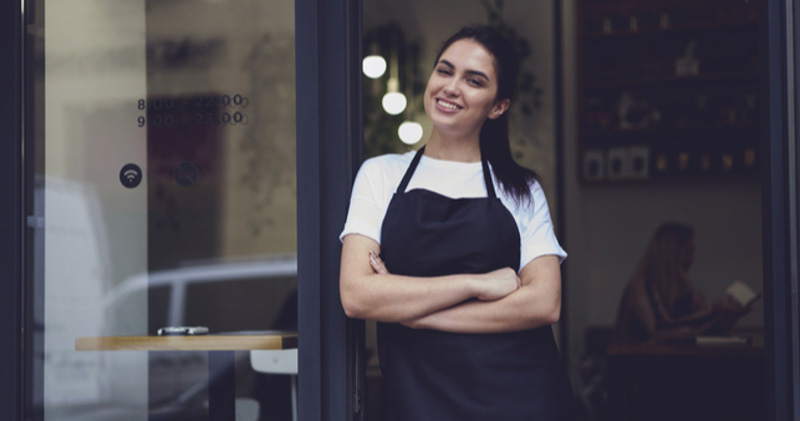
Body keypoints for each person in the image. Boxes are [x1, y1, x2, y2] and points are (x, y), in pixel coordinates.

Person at [339, 25, 573, 420]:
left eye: (474, 80)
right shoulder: (380, 175)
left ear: (498, 106)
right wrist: (476, 284)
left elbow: (544, 303)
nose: (451, 87)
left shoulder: (521, 189)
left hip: (522, 399)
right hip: (420, 399)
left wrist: (417, 314)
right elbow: (357, 295)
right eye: (444, 71)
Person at [614, 222, 750, 344]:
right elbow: (660, 330)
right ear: (673, 254)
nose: (692, 259)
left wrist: (729, 316)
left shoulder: (683, 288)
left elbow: (701, 329)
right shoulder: (641, 286)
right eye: (688, 252)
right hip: (640, 365)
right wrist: (714, 315)